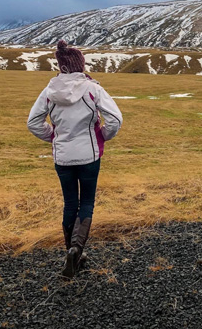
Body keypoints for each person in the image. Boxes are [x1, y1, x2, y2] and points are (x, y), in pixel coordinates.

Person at [27, 40, 123, 278]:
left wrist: (53, 136)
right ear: (80, 64)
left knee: (70, 203)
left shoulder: (49, 91)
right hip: (89, 155)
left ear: (61, 66)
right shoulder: (93, 89)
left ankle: (70, 251)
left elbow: (33, 123)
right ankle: (77, 250)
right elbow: (115, 119)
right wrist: (102, 135)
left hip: (63, 157)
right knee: (87, 201)